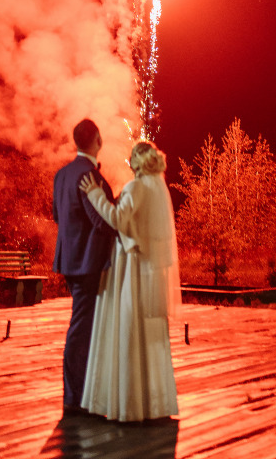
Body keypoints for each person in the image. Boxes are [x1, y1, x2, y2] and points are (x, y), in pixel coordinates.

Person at [78, 140, 180, 422]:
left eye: (131, 157)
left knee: (128, 327)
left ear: (137, 161)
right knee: (147, 335)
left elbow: (117, 219)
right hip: (149, 267)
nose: (128, 161)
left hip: (131, 267)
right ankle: (151, 404)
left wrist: (95, 194)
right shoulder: (157, 188)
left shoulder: (137, 187)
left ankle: (129, 403)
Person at [53, 119, 115, 413]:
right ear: (98, 140)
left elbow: (58, 215)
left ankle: (84, 391)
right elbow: (102, 222)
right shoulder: (91, 177)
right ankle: (74, 397)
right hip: (89, 262)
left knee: (85, 325)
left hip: (69, 259)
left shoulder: (61, 175)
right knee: (81, 328)